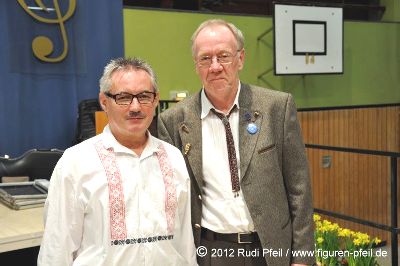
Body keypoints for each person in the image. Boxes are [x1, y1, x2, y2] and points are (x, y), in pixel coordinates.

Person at [157, 19, 315, 266]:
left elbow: (299, 187)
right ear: (196, 65)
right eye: (205, 59)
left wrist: (302, 258)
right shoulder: (174, 121)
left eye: (223, 56)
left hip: (271, 249)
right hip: (211, 251)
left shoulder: (277, 107)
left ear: (240, 59)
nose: (215, 66)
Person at [38, 57, 197, 266]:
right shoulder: (76, 162)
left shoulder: (173, 157)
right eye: (123, 97)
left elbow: (185, 239)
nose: (135, 107)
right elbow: (56, 247)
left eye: (144, 96)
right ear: (104, 101)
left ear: (156, 100)